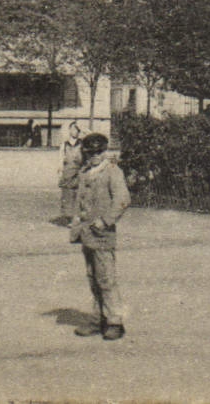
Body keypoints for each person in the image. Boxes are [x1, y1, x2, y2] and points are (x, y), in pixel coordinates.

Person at [69, 132, 130, 340]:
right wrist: (76, 219)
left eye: (98, 152)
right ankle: (97, 319)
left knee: (107, 279)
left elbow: (122, 199)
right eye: (90, 153)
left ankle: (115, 321)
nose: (94, 156)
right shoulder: (86, 172)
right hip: (87, 234)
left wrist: (105, 221)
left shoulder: (112, 171)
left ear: (105, 152)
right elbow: (80, 199)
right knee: (93, 278)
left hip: (102, 234)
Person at [60, 122, 85, 219]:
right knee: (67, 194)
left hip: (78, 171)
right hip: (67, 172)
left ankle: (78, 216)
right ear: (70, 130)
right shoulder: (65, 144)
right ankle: (69, 216)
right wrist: (60, 169)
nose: (75, 132)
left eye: (77, 130)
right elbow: (61, 158)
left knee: (78, 194)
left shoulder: (82, 144)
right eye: (73, 129)